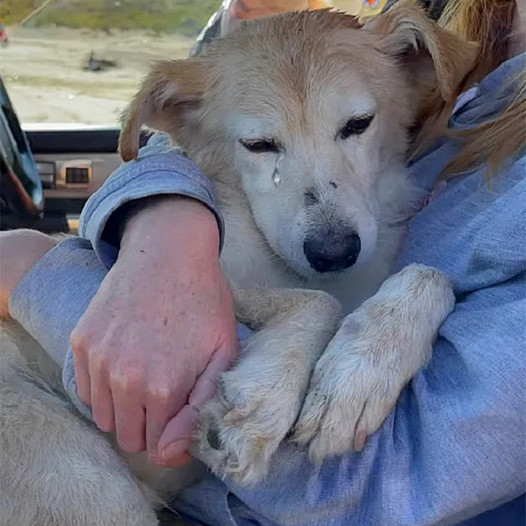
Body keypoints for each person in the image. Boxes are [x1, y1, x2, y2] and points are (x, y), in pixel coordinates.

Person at [1, 0, 525, 524]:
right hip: (32, 398)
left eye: (355, 125)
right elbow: (184, 147)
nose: (330, 231)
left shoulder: (412, 59)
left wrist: (36, 273)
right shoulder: (453, 37)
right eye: (261, 143)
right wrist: (166, 220)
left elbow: (379, 479)